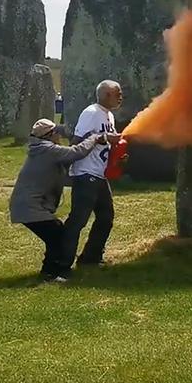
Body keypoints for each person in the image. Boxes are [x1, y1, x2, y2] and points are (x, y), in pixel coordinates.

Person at [8, 119, 113, 282]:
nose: (59, 135)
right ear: (50, 135)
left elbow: (62, 178)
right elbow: (76, 152)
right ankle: (50, 273)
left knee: (56, 235)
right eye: (56, 132)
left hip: (26, 205)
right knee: (58, 236)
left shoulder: (41, 150)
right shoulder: (47, 150)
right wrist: (94, 138)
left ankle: (50, 272)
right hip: (31, 207)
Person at [59, 80, 125, 271]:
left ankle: (90, 258)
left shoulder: (109, 116)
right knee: (78, 221)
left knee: (106, 217)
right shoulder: (92, 113)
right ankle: (61, 264)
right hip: (86, 173)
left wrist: (118, 157)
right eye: (117, 93)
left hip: (99, 175)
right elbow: (76, 142)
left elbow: (105, 145)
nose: (120, 96)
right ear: (105, 95)